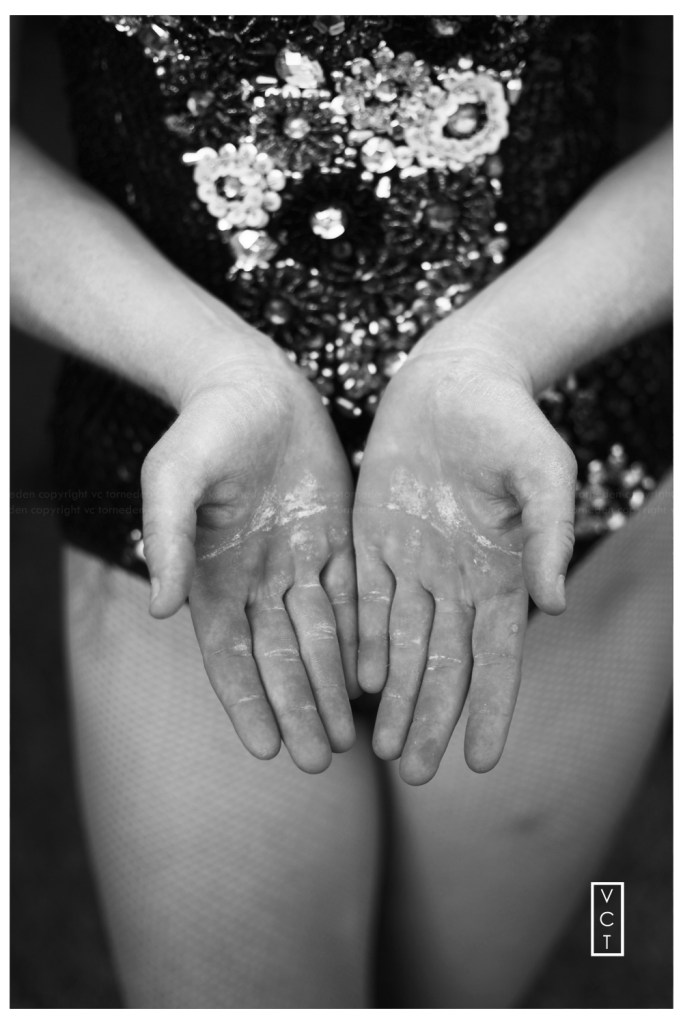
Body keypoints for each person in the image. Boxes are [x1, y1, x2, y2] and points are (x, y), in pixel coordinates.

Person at [11, 14, 672, 1008]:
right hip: (197, 511)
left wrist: (496, 351)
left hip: (550, 493)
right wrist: (212, 366)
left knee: (467, 997)